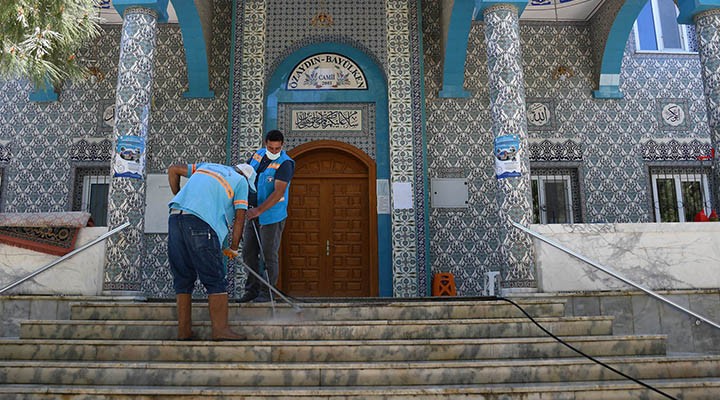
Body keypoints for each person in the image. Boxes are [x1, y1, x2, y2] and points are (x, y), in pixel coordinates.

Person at [167, 161, 257, 340]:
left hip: (175, 218)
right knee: (215, 278)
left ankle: (184, 332)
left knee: (183, 278)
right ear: (248, 179)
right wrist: (233, 247)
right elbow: (240, 219)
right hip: (201, 223)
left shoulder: (207, 166)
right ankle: (220, 330)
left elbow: (173, 169)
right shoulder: (240, 181)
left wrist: (180, 196)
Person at [238, 130, 295, 303]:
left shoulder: (285, 163)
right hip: (253, 213)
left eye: (277, 148)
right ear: (265, 143)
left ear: (282, 146)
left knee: (268, 255)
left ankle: (267, 292)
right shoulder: (259, 154)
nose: (274, 150)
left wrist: (259, 210)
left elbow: (278, 193)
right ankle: (252, 290)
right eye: (271, 147)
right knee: (248, 252)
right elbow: (245, 171)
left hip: (272, 216)